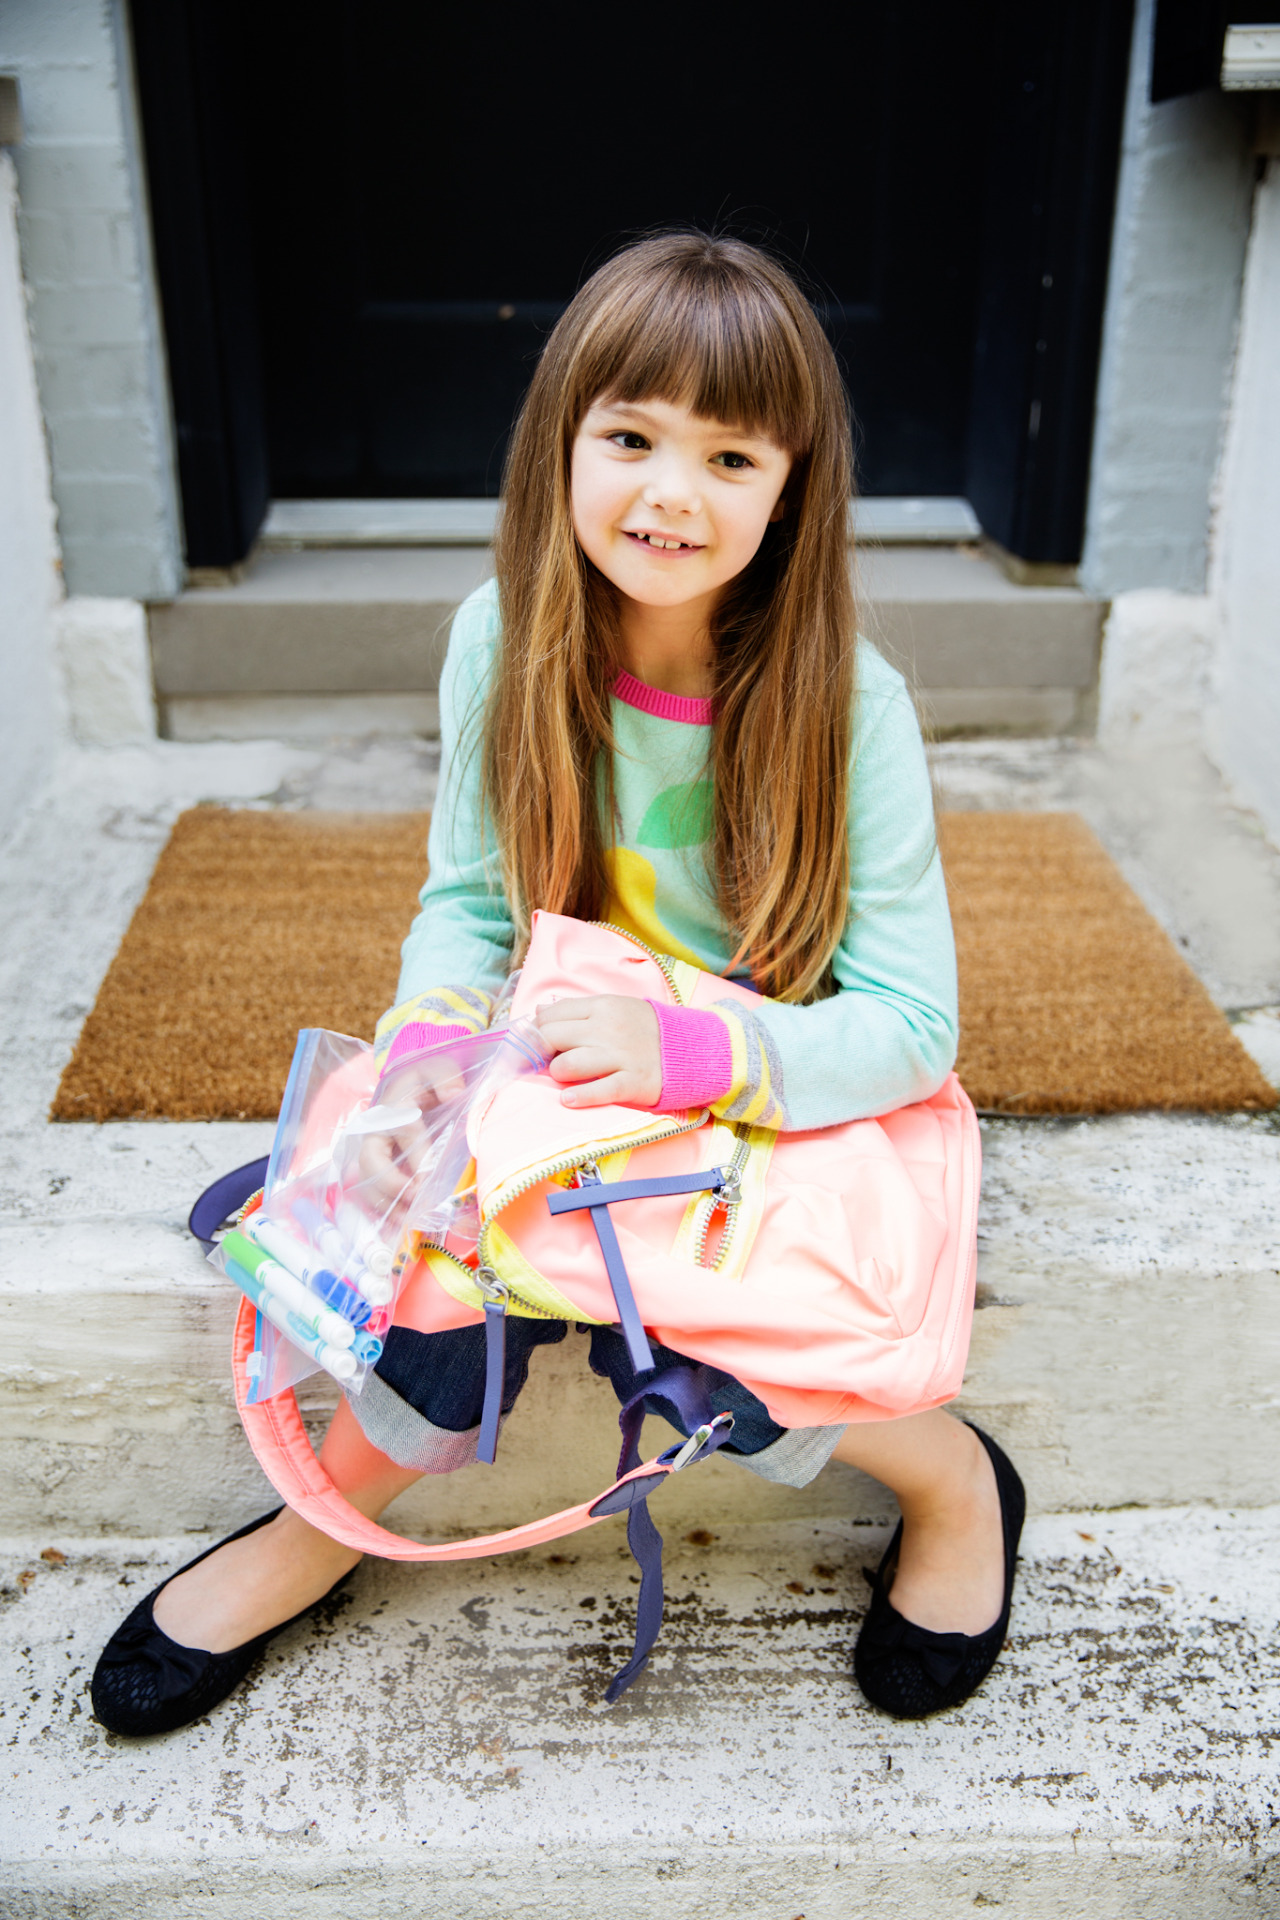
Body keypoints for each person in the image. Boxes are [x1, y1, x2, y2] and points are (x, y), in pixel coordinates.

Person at [91, 233, 1023, 1738]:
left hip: (753, 1095)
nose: (671, 493)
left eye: (731, 457)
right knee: (419, 1269)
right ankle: (325, 1529)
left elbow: (911, 1027)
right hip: (554, 1086)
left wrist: (690, 1052)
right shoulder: (502, 638)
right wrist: (422, 1061)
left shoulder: (851, 700)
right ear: (562, 443)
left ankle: (948, 1475)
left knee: (735, 1339)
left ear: (794, 490)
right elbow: (469, 911)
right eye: (632, 438)